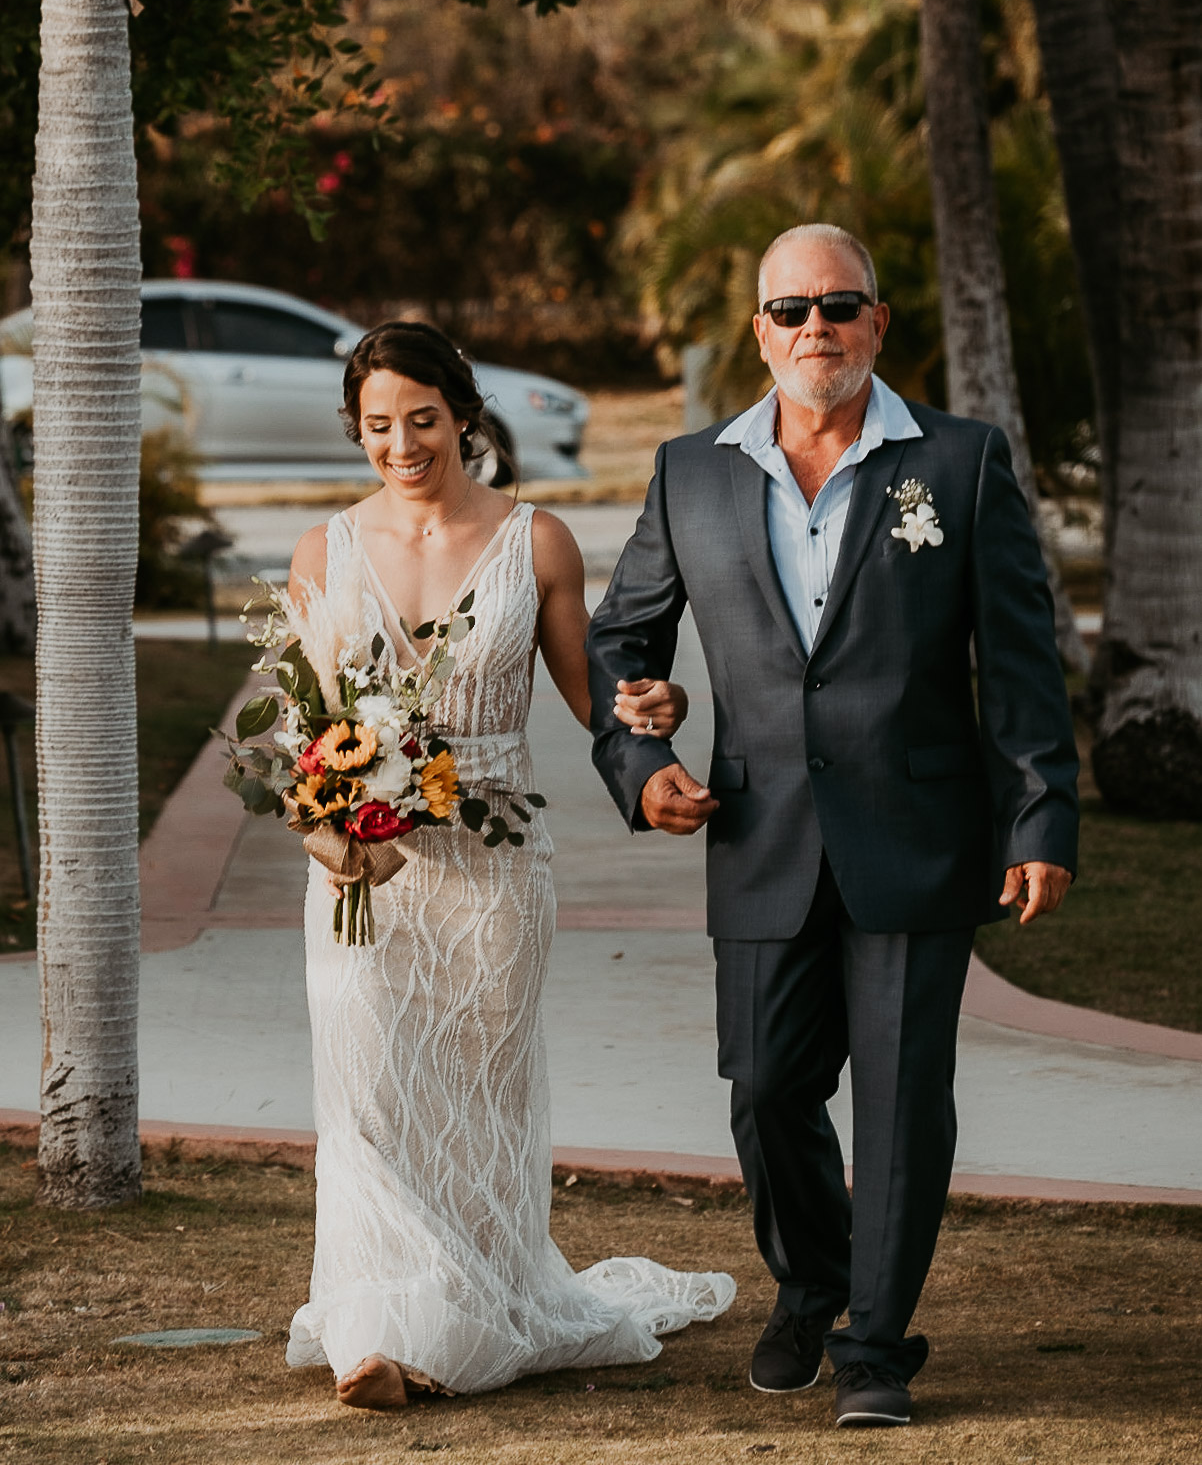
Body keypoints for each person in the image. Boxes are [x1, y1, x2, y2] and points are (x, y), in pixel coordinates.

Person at [586, 224, 1078, 1429]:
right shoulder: (688, 469)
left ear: (877, 323)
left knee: (903, 1100)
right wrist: (643, 755)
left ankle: (874, 1350)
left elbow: (1017, 659)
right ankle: (809, 1286)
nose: (817, 326)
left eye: (840, 304)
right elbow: (620, 642)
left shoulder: (956, 464)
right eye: (792, 307)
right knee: (763, 1090)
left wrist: (1039, 816)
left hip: (918, 834)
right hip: (755, 831)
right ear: (758, 330)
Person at [282, 321, 734, 1409]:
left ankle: (474, 1311)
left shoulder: (538, 544)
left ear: (464, 417)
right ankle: (374, 1336)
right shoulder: (323, 552)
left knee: (480, 1099)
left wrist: (653, 726)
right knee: (367, 1093)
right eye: (378, 426)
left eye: (422, 420)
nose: (402, 444)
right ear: (357, 431)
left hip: (493, 865)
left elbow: (598, 700)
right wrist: (321, 829)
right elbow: (300, 733)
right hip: (359, 876)